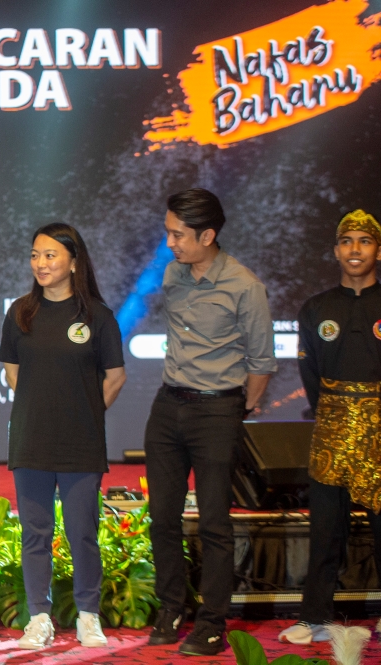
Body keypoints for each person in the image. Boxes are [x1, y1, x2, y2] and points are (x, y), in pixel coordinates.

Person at [144, 188, 277, 656]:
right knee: (162, 516)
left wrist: (233, 409)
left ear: (208, 235)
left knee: (216, 521)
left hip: (218, 409)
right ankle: (171, 607)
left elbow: (262, 363)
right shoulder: (173, 274)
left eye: (178, 235)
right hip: (167, 406)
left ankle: (212, 621)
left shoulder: (245, 286)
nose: (170, 243)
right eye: (168, 232)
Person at [0, 223, 126, 650]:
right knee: (34, 533)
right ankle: (39, 617)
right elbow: (13, 373)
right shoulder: (20, 313)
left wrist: (82, 412)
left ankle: (89, 616)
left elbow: (115, 376)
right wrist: (45, 409)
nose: (41, 263)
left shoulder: (98, 316)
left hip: (80, 444)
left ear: (74, 260)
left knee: (82, 532)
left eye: (50, 255)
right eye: (35, 255)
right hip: (31, 441)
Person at [278, 210, 381, 645]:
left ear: (378, 249)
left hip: (380, 430)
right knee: (325, 527)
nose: (354, 249)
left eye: (364, 241)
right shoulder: (317, 307)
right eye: (346, 241)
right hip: (332, 427)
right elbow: (310, 372)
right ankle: (315, 617)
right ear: (336, 250)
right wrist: (334, 412)